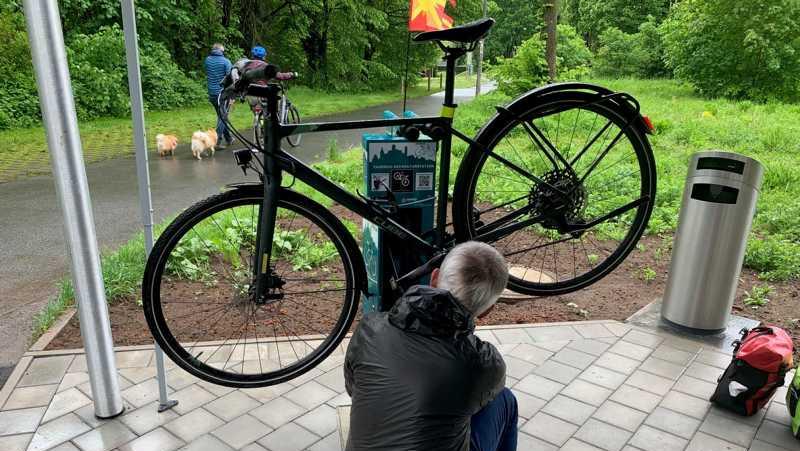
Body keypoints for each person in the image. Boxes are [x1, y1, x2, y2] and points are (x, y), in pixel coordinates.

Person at [344, 241, 517, 451]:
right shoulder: (484, 364)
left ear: (434, 278)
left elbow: (354, 389)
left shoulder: (369, 328)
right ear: (487, 310)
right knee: (504, 400)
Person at [204, 43, 233, 149]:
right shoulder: (226, 62)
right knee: (223, 117)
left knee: (222, 116)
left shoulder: (207, 60)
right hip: (222, 94)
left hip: (211, 93)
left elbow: (207, 72)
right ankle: (216, 141)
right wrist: (232, 96)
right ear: (222, 51)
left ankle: (229, 138)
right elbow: (230, 79)